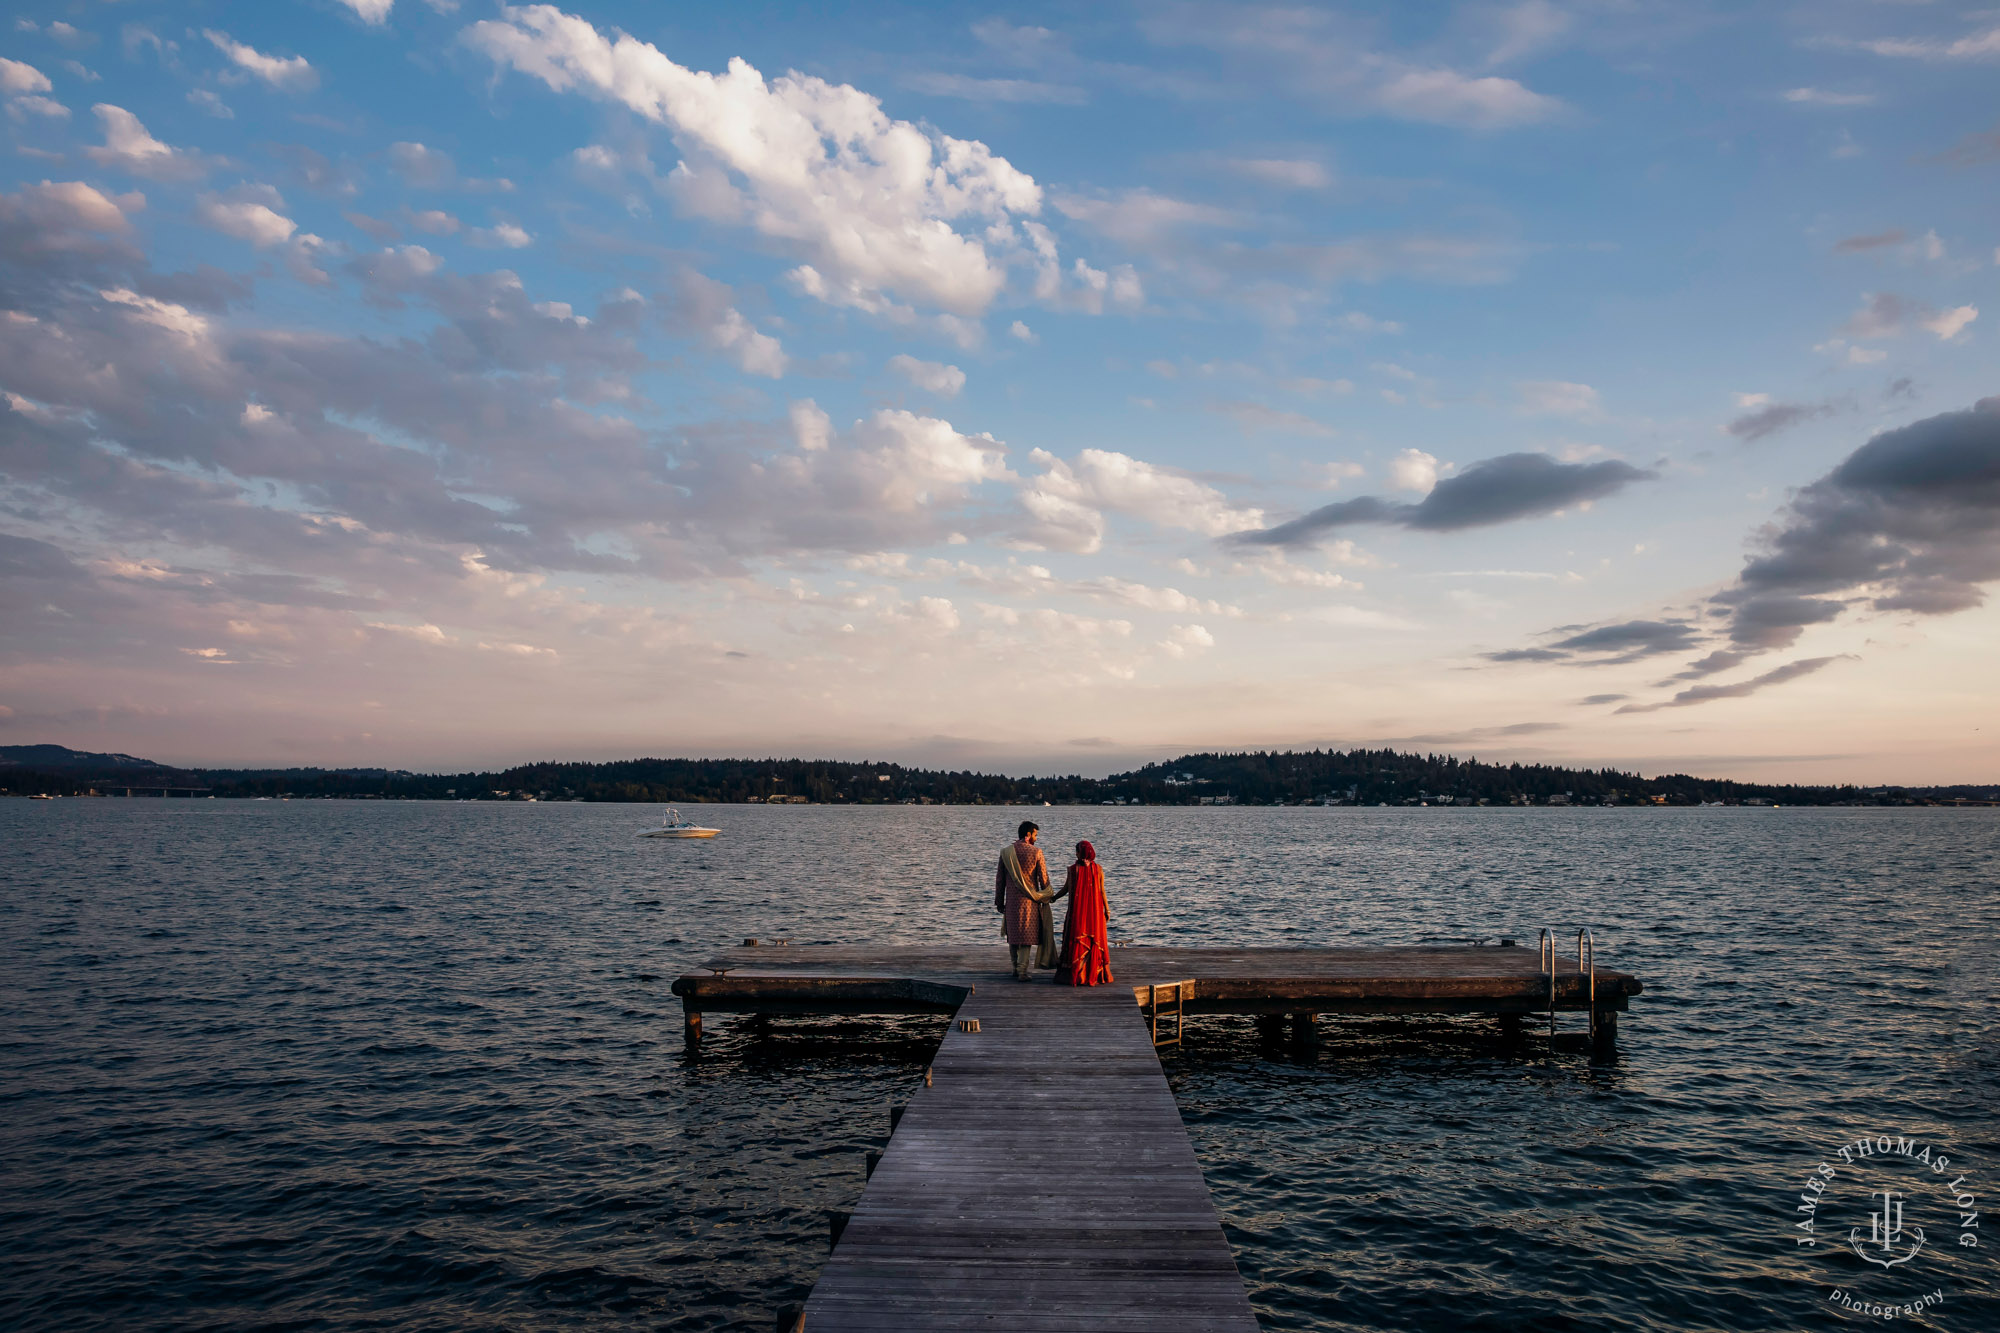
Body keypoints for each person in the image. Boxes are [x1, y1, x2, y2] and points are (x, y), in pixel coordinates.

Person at [994, 820, 1057, 981]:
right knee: (1026, 937)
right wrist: (1047, 896)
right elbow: (1044, 879)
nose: (1037, 838)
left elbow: (1000, 880)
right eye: (1035, 834)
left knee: (1013, 935)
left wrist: (999, 902)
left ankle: (1015, 968)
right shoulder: (1036, 852)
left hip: (1012, 902)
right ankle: (1022, 971)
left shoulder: (1006, 852)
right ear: (1028, 835)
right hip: (1030, 902)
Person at [1055, 840, 1115, 986]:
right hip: (1095, 914)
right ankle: (1095, 972)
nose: (1075, 854)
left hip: (1078, 914)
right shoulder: (1098, 869)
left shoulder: (1073, 870)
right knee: (1095, 940)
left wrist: (1053, 898)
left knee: (1077, 939)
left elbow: (1066, 889)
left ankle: (1079, 974)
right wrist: (1106, 909)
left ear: (1079, 853)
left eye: (1076, 851)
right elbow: (1102, 891)